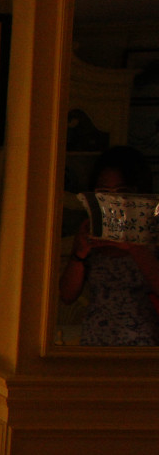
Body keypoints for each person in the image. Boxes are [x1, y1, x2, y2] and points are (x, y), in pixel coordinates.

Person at [59, 146, 159, 345]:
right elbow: (67, 295)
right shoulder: (92, 230)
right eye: (104, 192)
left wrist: (133, 246)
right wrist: (79, 254)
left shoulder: (154, 233)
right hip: (96, 343)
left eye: (122, 191)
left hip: (145, 346)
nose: (114, 200)